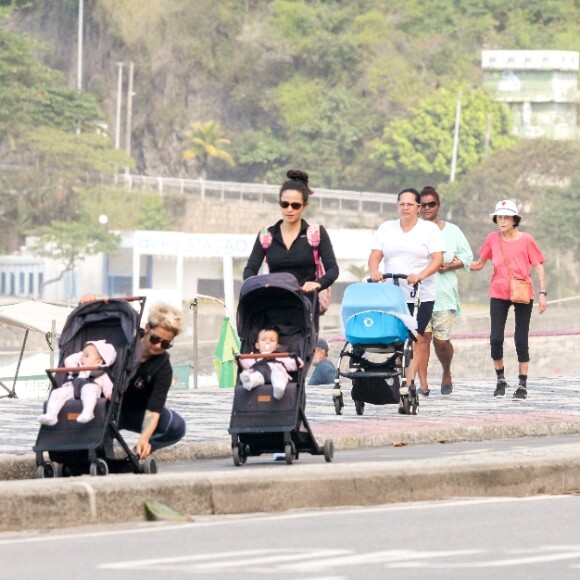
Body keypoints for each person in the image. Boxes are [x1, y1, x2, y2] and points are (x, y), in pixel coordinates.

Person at [79, 297, 187, 459]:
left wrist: (144, 439)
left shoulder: (163, 368)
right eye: (155, 339)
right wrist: (91, 300)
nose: (158, 346)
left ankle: (137, 454)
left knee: (176, 426)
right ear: (147, 328)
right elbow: (105, 317)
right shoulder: (125, 339)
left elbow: (154, 408)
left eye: (165, 344)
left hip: (135, 411)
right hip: (106, 406)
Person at [368, 187, 445, 402]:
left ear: (418, 207)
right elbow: (375, 255)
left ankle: (409, 383)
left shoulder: (429, 230)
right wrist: (375, 272)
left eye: (410, 204)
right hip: (394, 294)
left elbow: (437, 260)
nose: (405, 208)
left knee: (417, 337)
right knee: (397, 338)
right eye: (402, 204)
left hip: (422, 293)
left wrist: (420, 275)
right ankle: (398, 376)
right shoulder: (386, 228)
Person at [243, 169, 339, 333]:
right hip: (273, 306)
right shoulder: (267, 235)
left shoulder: (316, 233)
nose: (289, 209)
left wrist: (317, 284)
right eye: (284, 204)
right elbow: (250, 268)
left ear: (304, 206)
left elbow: (333, 269)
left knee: (303, 354)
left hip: (305, 307)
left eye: (295, 205)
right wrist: (259, 285)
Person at [470, 200, 547, 400]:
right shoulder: (492, 238)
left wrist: (543, 293)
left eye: (506, 217)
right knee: (495, 338)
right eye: (499, 217)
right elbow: (480, 263)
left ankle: (522, 384)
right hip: (498, 292)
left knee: (520, 339)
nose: (502, 221)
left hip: (522, 291)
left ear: (515, 220)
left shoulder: (526, 240)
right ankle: (500, 379)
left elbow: (538, 266)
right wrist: (457, 265)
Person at [419, 186, 473, 396]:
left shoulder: (452, 231)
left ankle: (446, 371)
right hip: (419, 295)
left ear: (438, 206)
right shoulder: (414, 231)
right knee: (422, 339)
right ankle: (422, 384)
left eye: (431, 204)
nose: (427, 208)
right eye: (422, 205)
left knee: (440, 341)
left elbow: (467, 257)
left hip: (443, 296)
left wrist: (449, 266)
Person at [38, 340, 117, 426]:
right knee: (57, 392)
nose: (82, 358)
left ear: (99, 361)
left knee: (90, 391)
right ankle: (51, 415)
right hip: (73, 388)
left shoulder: (102, 372)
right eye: (82, 356)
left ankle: (88, 413)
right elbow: (68, 360)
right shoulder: (77, 368)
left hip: (91, 387)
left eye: (87, 356)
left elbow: (108, 384)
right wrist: (83, 354)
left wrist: (109, 393)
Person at [239, 326, 304, 400]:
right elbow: (246, 364)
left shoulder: (280, 356)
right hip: (260, 372)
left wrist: (297, 361)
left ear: (277, 346)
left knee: (279, 376)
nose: (267, 342)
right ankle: (249, 381)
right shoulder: (254, 356)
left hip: (276, 371)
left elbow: (290, 363)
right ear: (257, 345)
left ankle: (279, 388)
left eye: (272, 340)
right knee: (256, 375)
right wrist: (240, 361)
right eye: (263, 339)